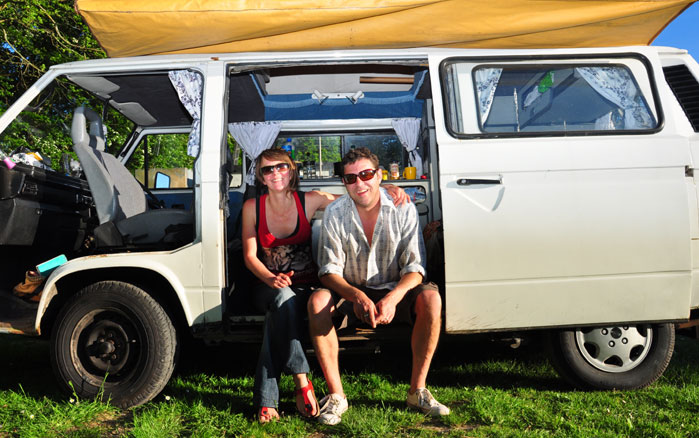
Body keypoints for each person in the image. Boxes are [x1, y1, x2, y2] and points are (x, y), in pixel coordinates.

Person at [241, 148, 408, 423]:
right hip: (267, 285)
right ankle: (301, 380)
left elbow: (355, 196)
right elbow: (249, 256)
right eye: (267, 170)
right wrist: (270, 278)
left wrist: (385, 185)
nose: (275, 173)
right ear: (260, 177)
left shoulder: (310, 200)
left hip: (308, 286)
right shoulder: (252, 208)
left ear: (291, 169)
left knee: (282, 312)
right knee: (282, 298)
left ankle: (269, 399)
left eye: (280, 167)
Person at [307, 147, 449, 426]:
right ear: (344, 183)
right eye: (350, 178)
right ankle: (337, 396)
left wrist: (394, 298)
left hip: (395, 287)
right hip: (350, 288)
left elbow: (416, 267)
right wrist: (357, 295)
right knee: (316, 302)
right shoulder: (335, 212)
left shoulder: (403, 207)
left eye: (366, 174)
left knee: (431, 299)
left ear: (379, 175)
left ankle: (417, 391)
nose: (359, 183)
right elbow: (328, 272)